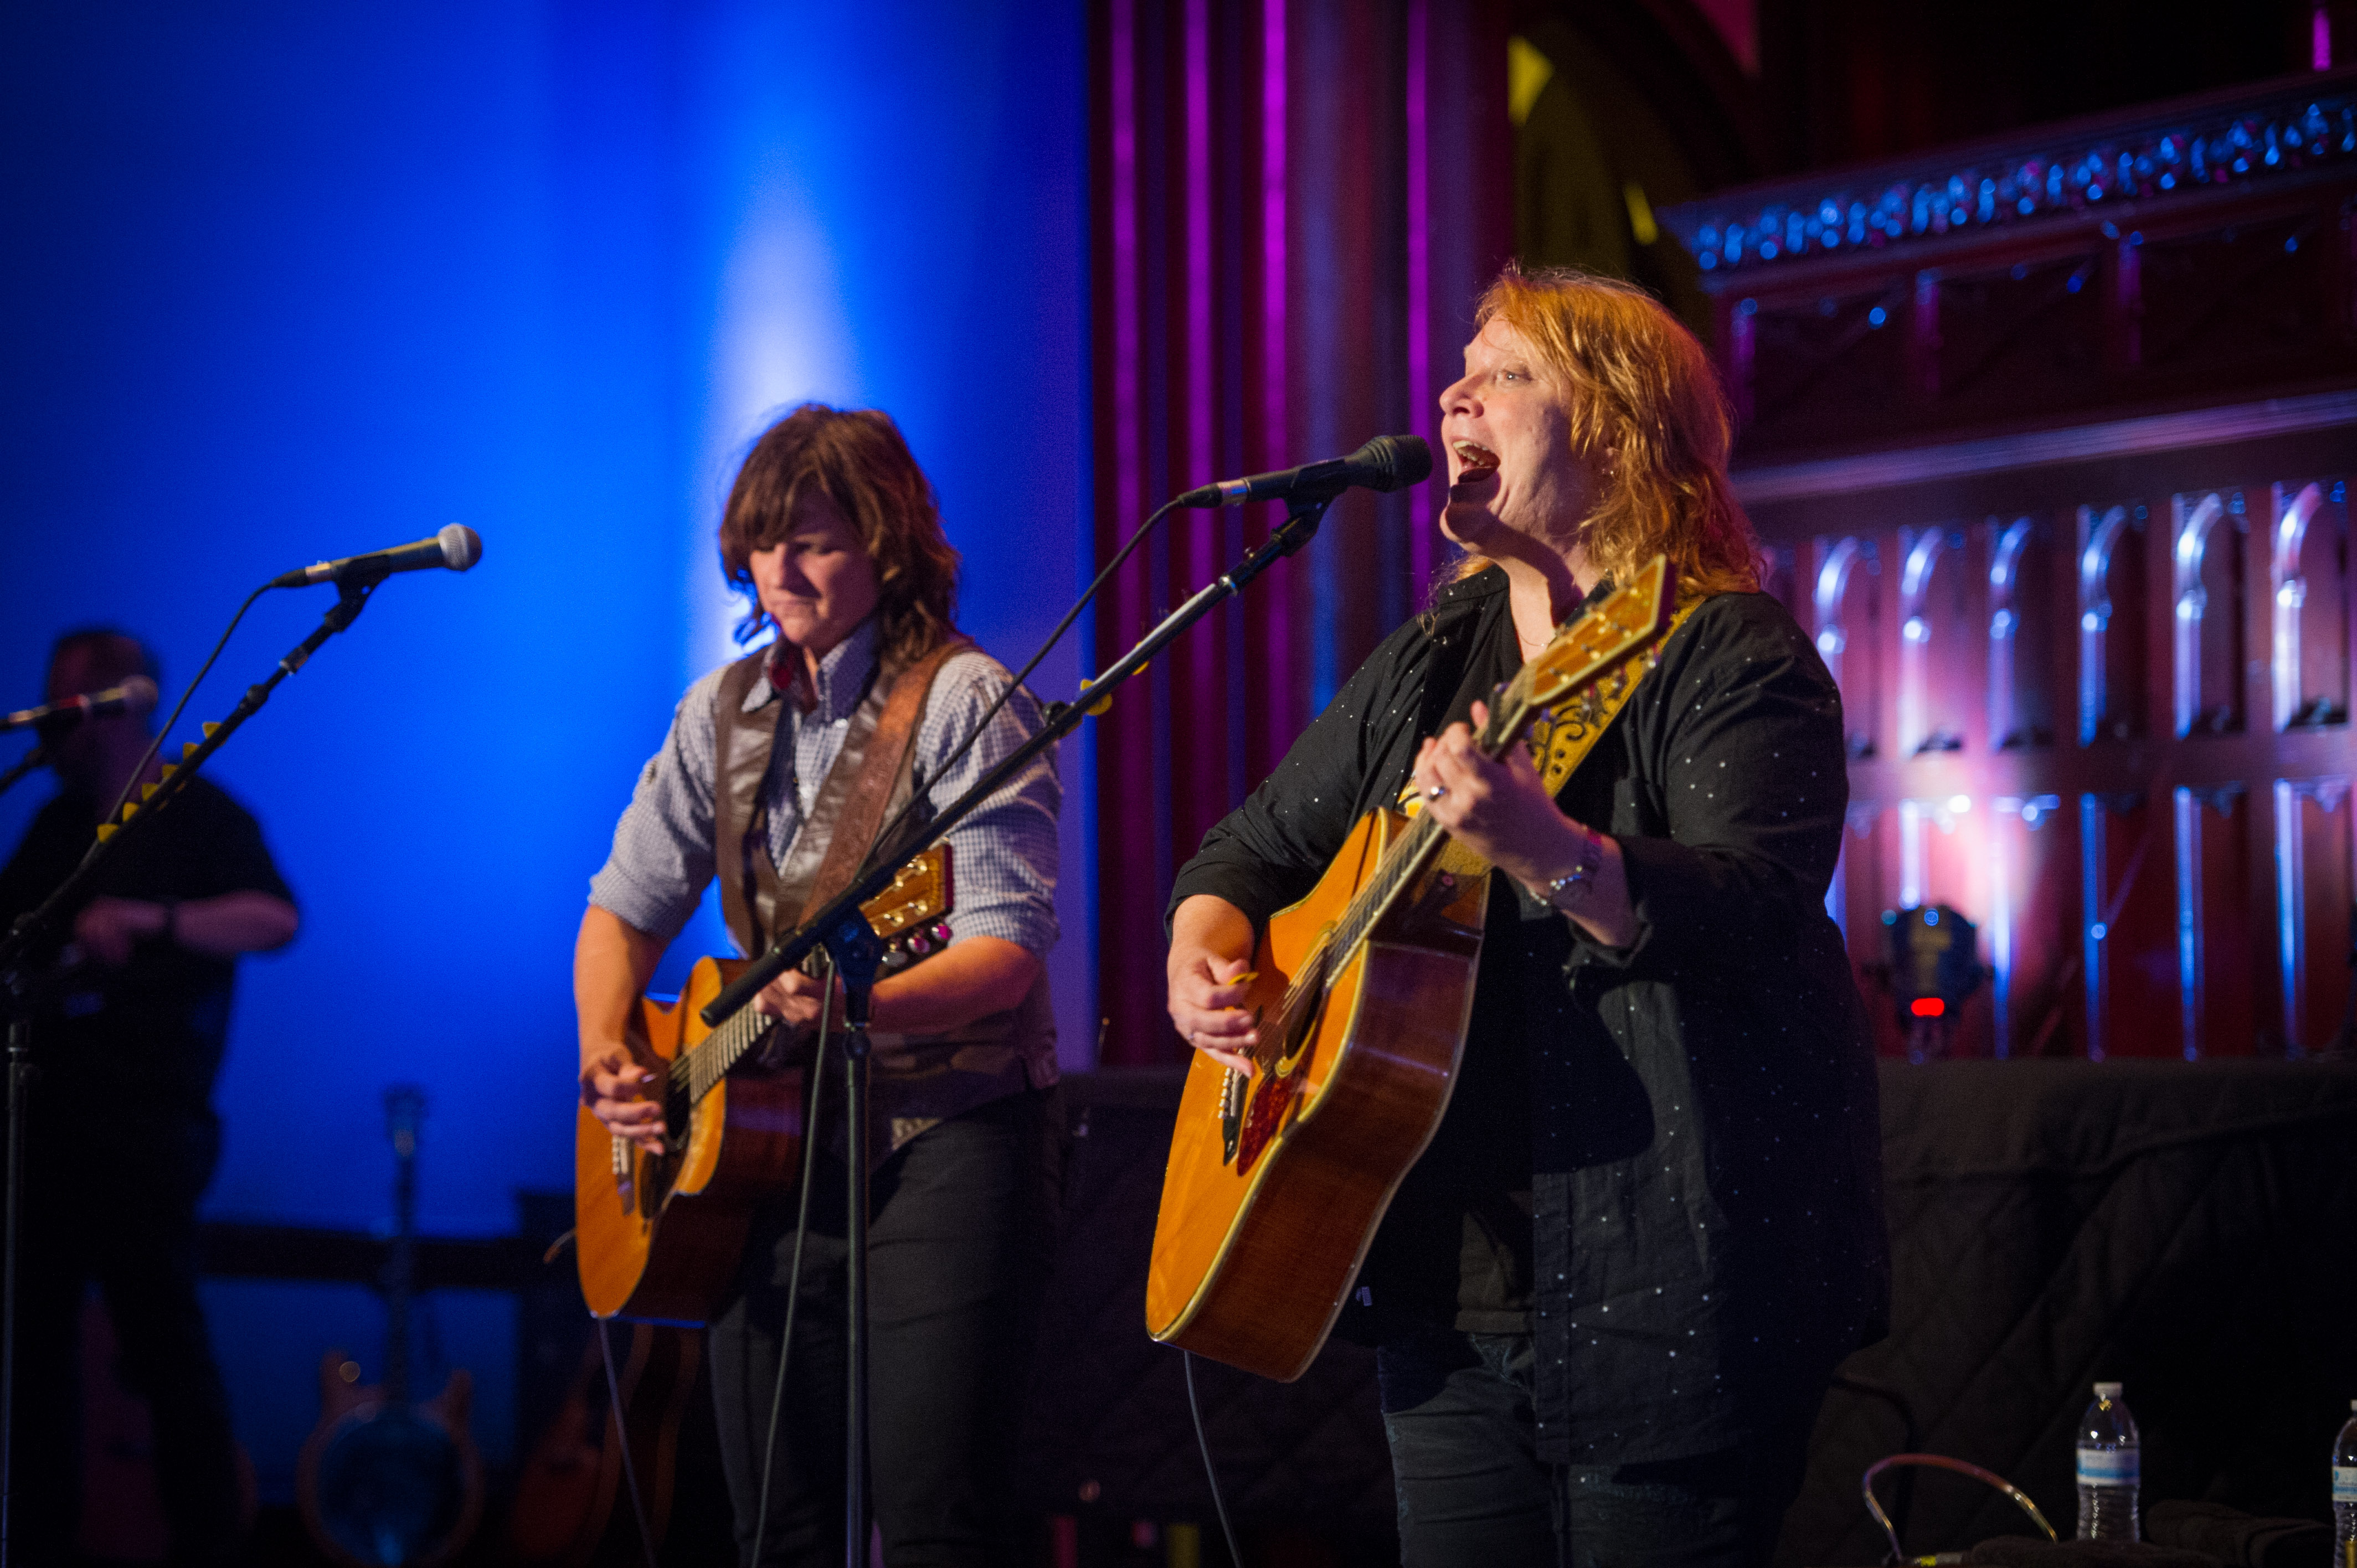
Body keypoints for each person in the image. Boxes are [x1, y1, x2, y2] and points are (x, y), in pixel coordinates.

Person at [1165, 267, 1887, 1567]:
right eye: (1458, 368)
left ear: (1614, 427)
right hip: (1452, 1274)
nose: (1452, 393)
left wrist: (1547, 850)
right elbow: (1255, 848)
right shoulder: (1433, 656)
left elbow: (1759, 908)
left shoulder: (1727, 651)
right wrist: (1199, 956)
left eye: (1503, 374)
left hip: (1667, 1277)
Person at [577, 404, 1062, 1567]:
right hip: (770, 1160)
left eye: (816, 542)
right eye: (762, 542)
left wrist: (862, 1007)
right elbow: (622, 908)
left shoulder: (965, 702)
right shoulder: (719, 708)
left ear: (888, 546)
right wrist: (608, 1048)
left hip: (947, 1137)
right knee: (775, 1525)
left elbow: (1002, 949)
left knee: (939, 1514)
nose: (781, 571)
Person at [0, 628, 300, 1568]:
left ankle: (209, 1544)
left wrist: (152, 918)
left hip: (147, 1126)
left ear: (122, 706)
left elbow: (275, 916)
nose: (58, 730)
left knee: (163, 1345)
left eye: (71, 708)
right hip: (47, 1125)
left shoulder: (197, 812)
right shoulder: (56, 825)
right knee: (32, 1358)